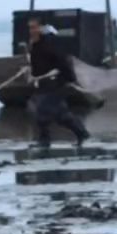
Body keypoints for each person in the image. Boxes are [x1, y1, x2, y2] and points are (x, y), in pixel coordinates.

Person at [26, 17, 91, 148]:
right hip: (43, 84)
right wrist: (32, 75)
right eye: (30, 28)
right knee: (60, 114)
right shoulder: (34, 45)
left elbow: (63, 61)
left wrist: (69, 79)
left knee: (42, 110)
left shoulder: (50, 44)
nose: (32, 30)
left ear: (41, 28)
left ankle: (45, 141)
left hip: (56, 83)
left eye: (34, 27)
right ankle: (81, 133)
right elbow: (36, 65)